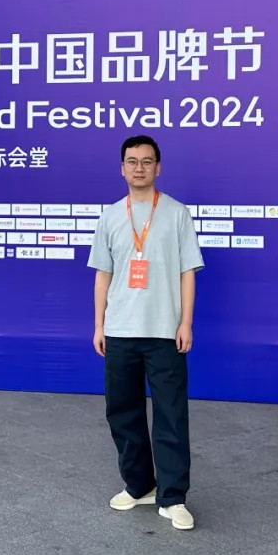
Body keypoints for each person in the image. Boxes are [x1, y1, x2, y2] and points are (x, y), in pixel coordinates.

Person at [88, 134, 204, 531]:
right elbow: (103, 275)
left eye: (147, 161)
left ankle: (173, 498)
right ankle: (140, 486)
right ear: (122, 168)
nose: (139, 167)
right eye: (132, 161)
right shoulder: (110, 216)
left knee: (171, 415)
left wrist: (185, 322)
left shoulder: (176, 213)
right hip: (120, 330)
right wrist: (100, 325)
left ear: (158, 167)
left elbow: (187, 272)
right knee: (123, 413)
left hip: (164, 331)